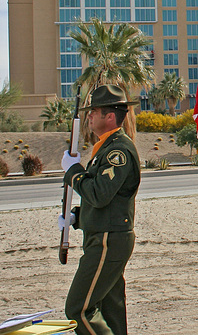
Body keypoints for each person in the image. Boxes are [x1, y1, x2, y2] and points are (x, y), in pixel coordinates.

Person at [59, 85, 141, 335]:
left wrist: (73, 172)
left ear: (110, 116)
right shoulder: (105, 148)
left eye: (93, 111)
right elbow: (104, 199)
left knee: (78, 309)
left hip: (108, 239)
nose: (89, 117)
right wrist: (77, 216)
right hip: (104, 236)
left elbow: (99, 193)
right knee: (110, 310)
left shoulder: (118, 151)